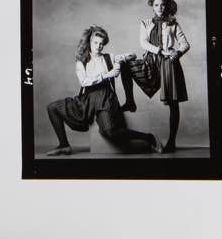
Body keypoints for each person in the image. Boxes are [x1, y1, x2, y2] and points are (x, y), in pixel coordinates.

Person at [44, 25, 159, 156]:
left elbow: (132, 55)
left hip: (106, 98)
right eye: (95, 43)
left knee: (110, 132)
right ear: (89, 42)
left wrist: (121, 60)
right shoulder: (81, 61)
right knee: (52, 107)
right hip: (87, 99)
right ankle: (64, 145)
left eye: (101, 44)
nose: (98, 46)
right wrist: (107, 75)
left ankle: (149, 138)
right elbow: (84, 82)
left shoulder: (109, 57)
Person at [118, 0, 189, 154]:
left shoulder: (173, 23)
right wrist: (160, 51)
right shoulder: (145, 23)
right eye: (156, 5)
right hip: (151, 62)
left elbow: (185, 44)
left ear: (166, 6)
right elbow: (143, 43)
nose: (160, 8)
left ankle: (172, 142)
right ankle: (130, 101)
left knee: (173, 104)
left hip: (169, 64)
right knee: (125, 65)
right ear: (152, 6)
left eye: (162, 5)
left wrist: (177, 53)